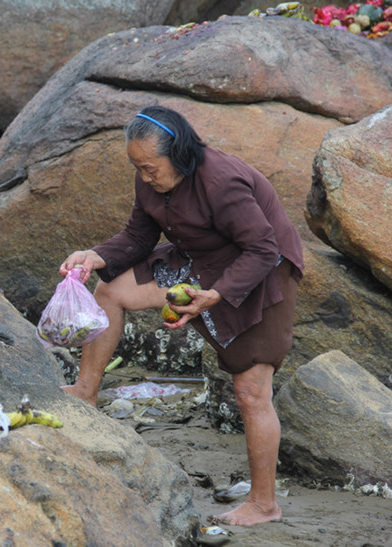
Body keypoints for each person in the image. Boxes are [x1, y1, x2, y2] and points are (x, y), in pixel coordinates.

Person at [58, 105, 303, 527]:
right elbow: (138, 235)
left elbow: (263, 248)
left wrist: (219, 294)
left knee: (250, 391)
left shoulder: (222, 182)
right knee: (109, 290)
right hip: (197, 256)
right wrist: (94, 256)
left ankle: (264, 504)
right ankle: (85, 390)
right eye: (138, 168)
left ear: (181, 155)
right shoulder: (149, 177)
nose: (145, 177)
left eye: (151, 168)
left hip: (258, 273)